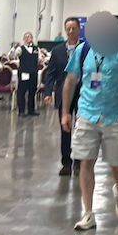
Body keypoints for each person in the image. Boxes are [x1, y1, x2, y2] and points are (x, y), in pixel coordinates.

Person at [62, 10, 118, 231]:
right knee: (85, 162)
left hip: (116, 115)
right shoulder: (83, 50)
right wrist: (65, 112)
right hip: (87, 113)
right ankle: (88, 213)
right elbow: (70, 80)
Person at [48, 17, 84, 174]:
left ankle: (79, 161)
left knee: (82, 128)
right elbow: (50, 72)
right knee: (65, 128)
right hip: (64, 93)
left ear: (79, 29)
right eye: (68, 28)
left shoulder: (86, 49)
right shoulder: (57, 51)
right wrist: (48, 92)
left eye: (73, 28)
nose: (71, 31)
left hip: (83, 94)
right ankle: (66, 162)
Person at [15, 32, 42, 117]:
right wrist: (14, 49)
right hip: (24, 72)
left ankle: (31, 110)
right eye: (25, 37)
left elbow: (39, 59)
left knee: (32, 91)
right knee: (22, 91)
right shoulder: (20, 49)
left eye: (29, 36)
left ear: (32, 38)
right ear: (23, 39)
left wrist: (41, 60)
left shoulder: (36, 48)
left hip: (33, 72)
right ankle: (21, 111)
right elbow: (12, 55)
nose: (27, 38)